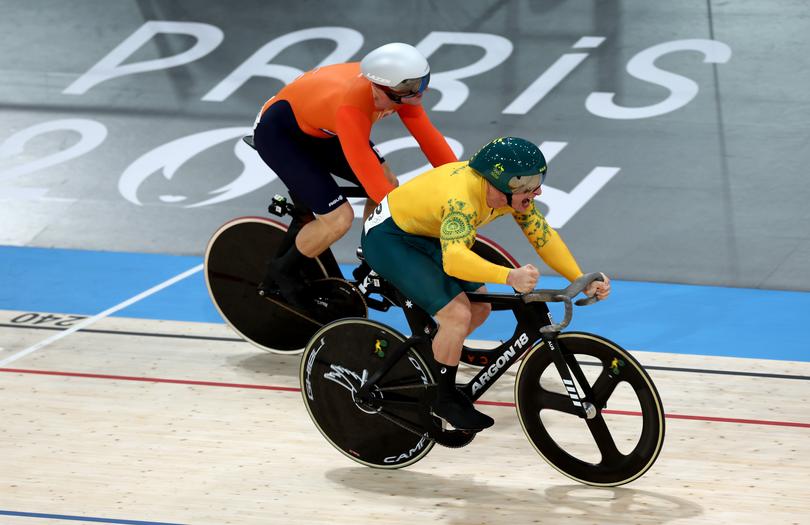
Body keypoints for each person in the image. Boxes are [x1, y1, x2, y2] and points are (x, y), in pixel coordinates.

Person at [361, 136, 612, 431]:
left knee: (480, 307)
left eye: (538, 178)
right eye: (527, 181)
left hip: (424, 231)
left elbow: (542, 237)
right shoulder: (462, 200)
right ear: (498, 182)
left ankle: (430, 361)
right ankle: (442, 398)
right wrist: (509, 276)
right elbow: (453, 260)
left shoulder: (511, 194)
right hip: (389, 239)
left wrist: (577, 278)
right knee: (457, 315)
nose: (538, 188)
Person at [251, 42, 457, 309]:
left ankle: (371, 257)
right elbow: (375, 187)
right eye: (408, 93)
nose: (415, 97)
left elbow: (429, 139)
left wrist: (460, 179)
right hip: (281, 134)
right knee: (338, 218)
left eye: (420, 87)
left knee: (391, 182)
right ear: (377, 90)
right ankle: (283, 270)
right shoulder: (355, 106)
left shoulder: (400, 90)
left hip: (324, 128)